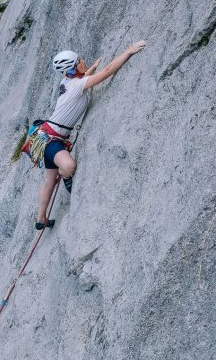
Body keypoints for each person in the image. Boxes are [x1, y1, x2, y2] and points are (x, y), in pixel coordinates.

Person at [35, 42, 146, 229]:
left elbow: (82, 78)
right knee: (68, 167)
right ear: (72, 69)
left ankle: (40, 219)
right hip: (52, 141)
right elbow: (108, 71)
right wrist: (128, 51)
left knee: (48, 181)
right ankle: (64, 175)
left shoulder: (66, 82)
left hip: (46, 136)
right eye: (79, 61)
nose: (83, 61)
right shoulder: (77, 85)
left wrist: (90, 69)